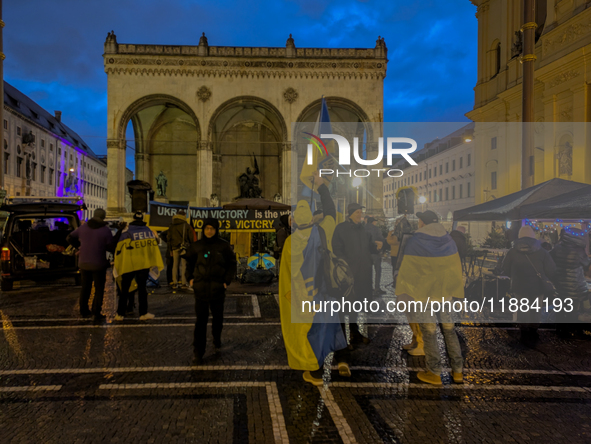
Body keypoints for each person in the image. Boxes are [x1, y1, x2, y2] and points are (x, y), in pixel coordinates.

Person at [279, 172, 348, 386]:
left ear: (293, 221)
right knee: (327, 326)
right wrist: (320, 186)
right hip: (325, 290)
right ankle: (337, 361)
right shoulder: (322, 231)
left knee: (310, 330)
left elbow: (287, 274)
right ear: (311, 218)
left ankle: (315, 370)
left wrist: (290, 296)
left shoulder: (290, 243)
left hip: (304, 295)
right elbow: (330, 211)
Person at [396, 210, 464, 385]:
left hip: (424, 294)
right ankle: (458, 371)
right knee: (449, 330)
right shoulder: (448, 239)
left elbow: (409, 268)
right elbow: (455, 266)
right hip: (445, 293)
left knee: (429, 332)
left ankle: (434, 372)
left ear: (423, 223)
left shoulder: (416, 240)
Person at [184, 218, 237, 365]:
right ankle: (198, 352)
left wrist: (226, 281)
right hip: (200, 288)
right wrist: (190, 279)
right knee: (200, 321)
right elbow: (189, 263)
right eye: (207, 228)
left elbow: (232, 264)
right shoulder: (196, 246)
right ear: (203, 230)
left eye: (212, 229)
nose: (209, 231)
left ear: (216, 230)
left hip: (218, 288)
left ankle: (216, 338)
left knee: (217, 318)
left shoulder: (224, 246)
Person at [332, 203, 381, 344]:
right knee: (343, 307)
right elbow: (337, 249)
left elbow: (368, 247)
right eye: (357, 212)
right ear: (350, 213)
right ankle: (342, 339)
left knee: (355, 305)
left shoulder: (363, 229)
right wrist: (346, 266)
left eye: (361, 212)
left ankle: (355, 334)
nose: (360, 215)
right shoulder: (341, 229)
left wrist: (376, 247)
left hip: (363, 274)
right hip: (347, 275)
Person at [502, 225, 556, 343]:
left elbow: (505, 269)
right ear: (533, 236)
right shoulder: (542, 251)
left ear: (519, 236)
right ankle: (533, 332)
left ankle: (524, 333)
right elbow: (551, 270)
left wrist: (515, 277)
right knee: (536, 310)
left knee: (523, 309)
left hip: (519, 286)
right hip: (538, 286)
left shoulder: (512, 251)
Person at [112, 211, 163, 321]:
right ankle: (143, 313)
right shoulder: (148, 231)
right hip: (143, 264)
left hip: (128, 263)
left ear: (133, 219)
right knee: (142, 289)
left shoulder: (126, 231)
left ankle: (120, 314)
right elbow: (154, 246)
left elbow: (115, 244)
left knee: (124, 289)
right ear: (142, 219)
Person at [67, 208, 113, 322]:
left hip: (83, 263)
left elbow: (69, 237)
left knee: (85, 288)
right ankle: (96, 312)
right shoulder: (105, 230)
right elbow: (110, 246)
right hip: (98, 263)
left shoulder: (83, 227)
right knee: (99, 288)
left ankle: (83, 310)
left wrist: (79, 246)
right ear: (103, 217)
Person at [550, 227, 590, 337]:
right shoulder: (579, 251)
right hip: (575, 287)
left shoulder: (557, 248)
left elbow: (550, 261)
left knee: (560, 309)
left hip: (560, 286)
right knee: (572, 311)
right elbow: (586, 264)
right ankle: (571, 331)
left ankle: (560, 331)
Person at [167, 209, 195, 290]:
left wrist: (170, 250)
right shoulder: (186, 225)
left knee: (175, 265)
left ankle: (174, 283)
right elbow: (191, 238)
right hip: (184, 248)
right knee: (184, 266)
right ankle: (183, 283)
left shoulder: (172, 225)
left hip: (174, 247)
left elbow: (169, 238)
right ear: (183, 216)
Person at [364, 216, 386, 294]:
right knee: (378, 270)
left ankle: (368, 287)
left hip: (366, 253)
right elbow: (381, 239)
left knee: (368, 271)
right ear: (373, 222)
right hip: (375, 252)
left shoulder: (363, 228)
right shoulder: (376, 229)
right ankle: (377, 287)